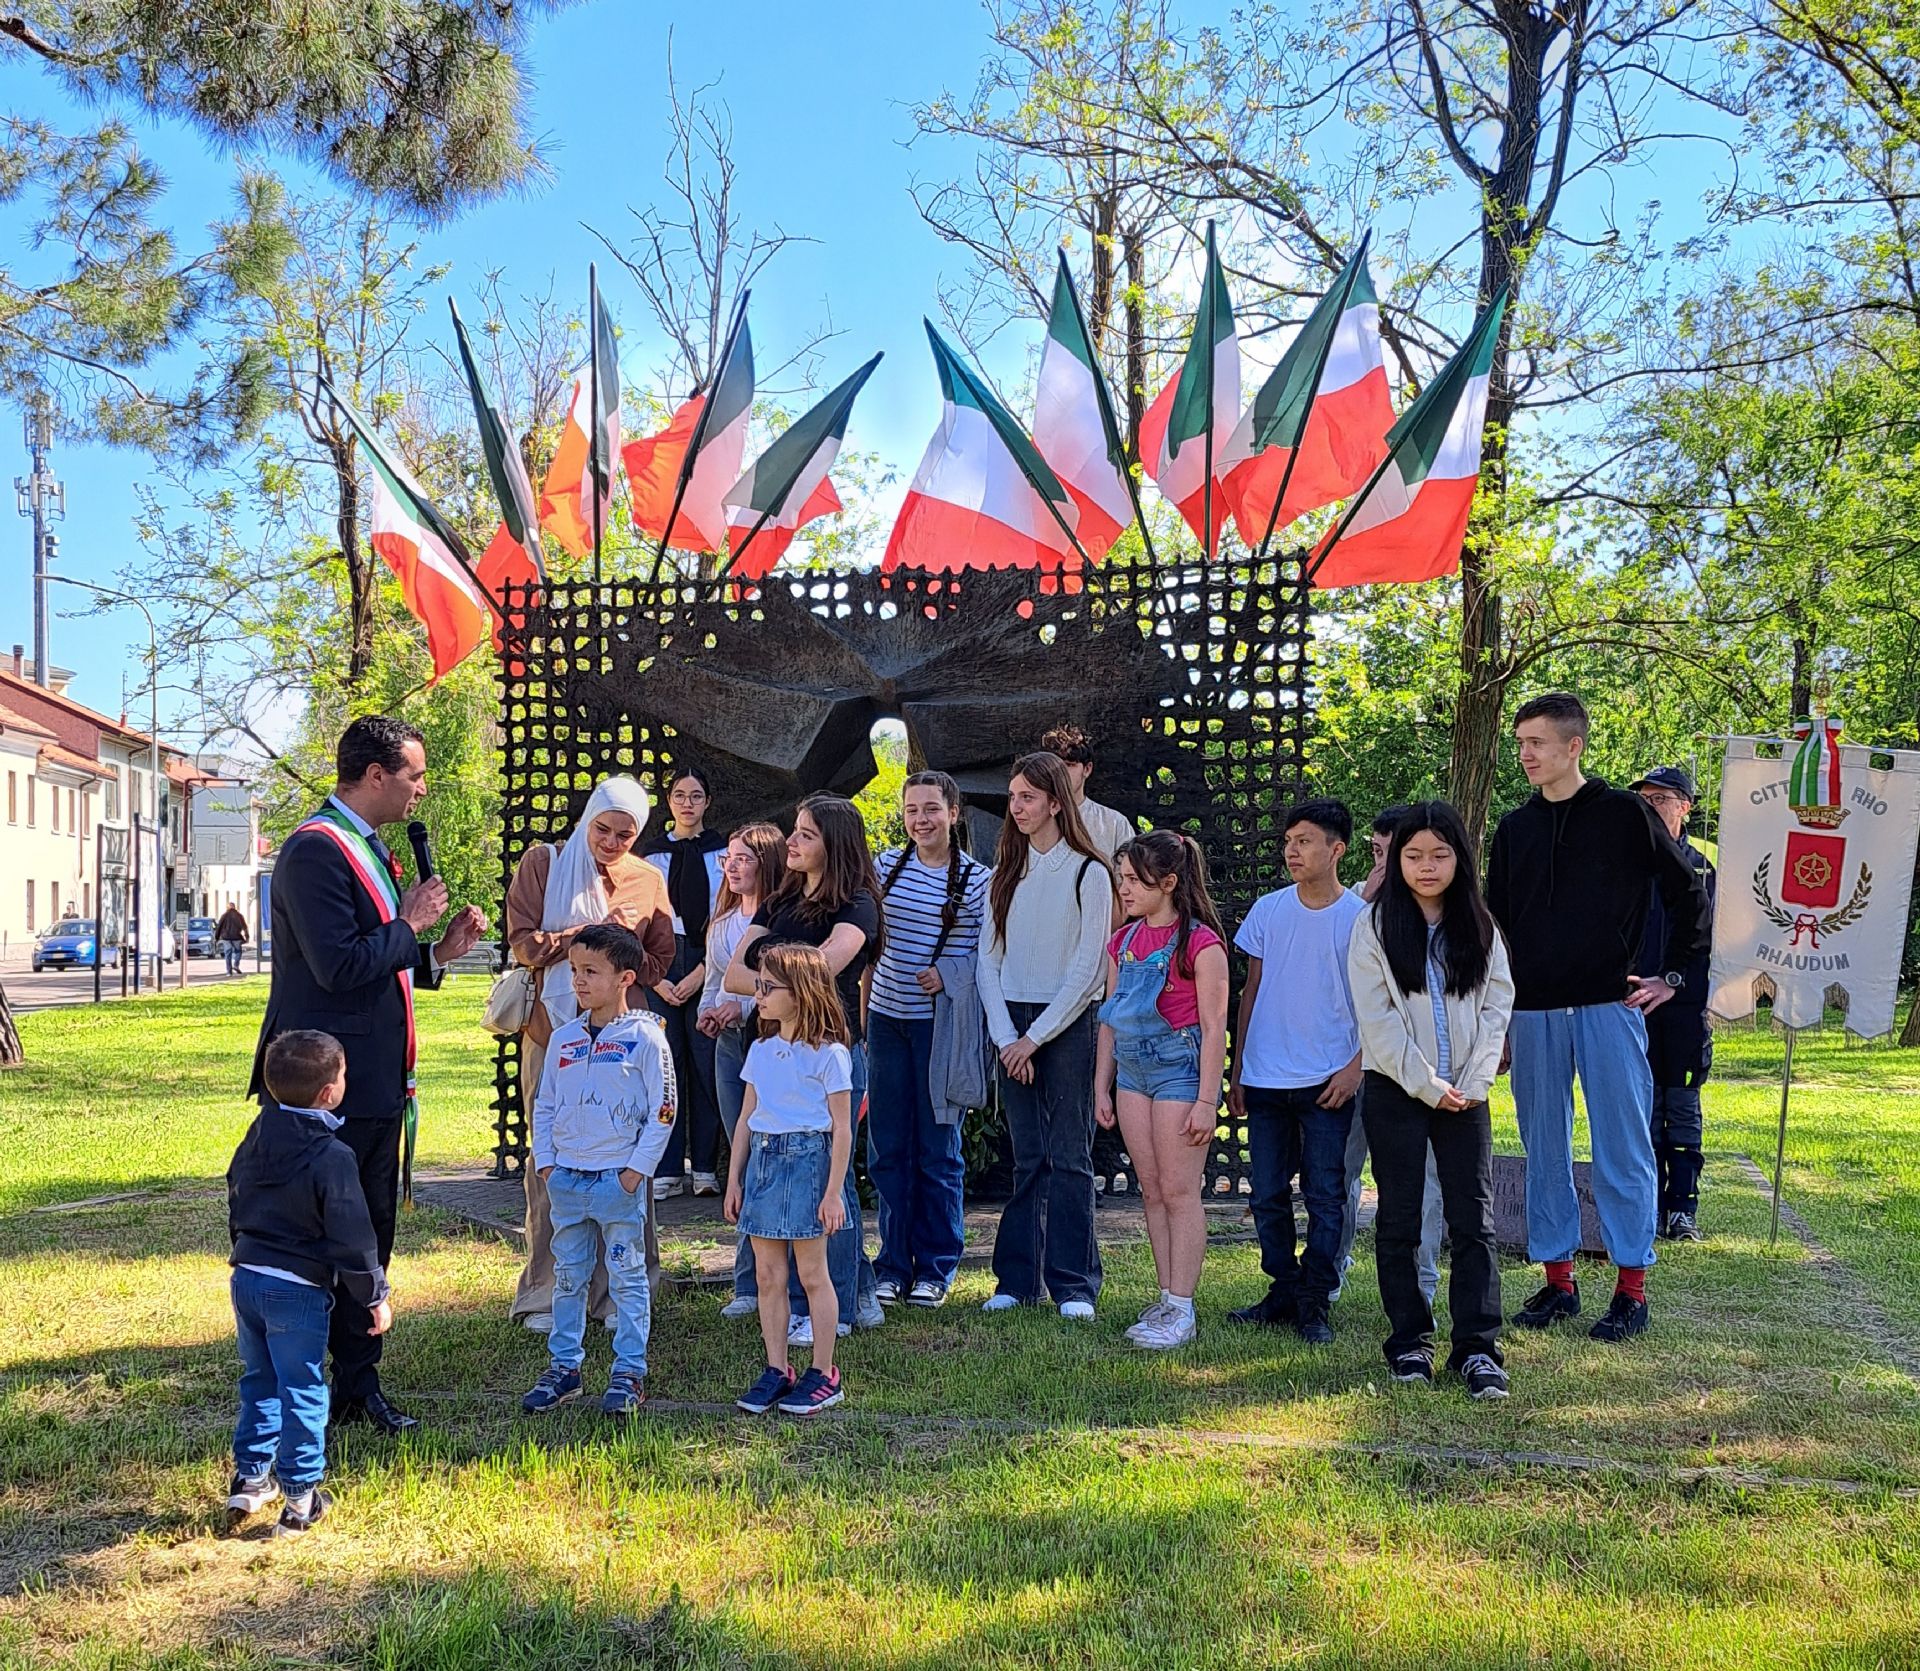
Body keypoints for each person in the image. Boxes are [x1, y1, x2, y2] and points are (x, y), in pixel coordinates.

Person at [247, 715, 486, 1436]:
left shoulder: (368, 846)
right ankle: (310, 1380)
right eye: (413, 775)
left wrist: (436, 951)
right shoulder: (315, 851)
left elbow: (382, 965)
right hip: (322, 1087)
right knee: (323, 1236)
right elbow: (339, 964)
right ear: (375, 775)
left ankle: (358, 1383)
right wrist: (409, 922)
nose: (420, 789)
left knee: (368, 1236)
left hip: (374, 1080)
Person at [1487, 693, 1712, 1343]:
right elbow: (1497, 929)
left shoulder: (1623, 814)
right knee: (1544, 1147)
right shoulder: (1514, 830)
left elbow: (1687, 890)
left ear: (1573, 746)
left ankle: (1631, 1289)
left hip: (1608, 1005)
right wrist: (1499, 1016)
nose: (1526, 753)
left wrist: (1672, 975)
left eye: (1537, 742)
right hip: (1532, 1011)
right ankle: (1559, 1282)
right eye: (1521, 741)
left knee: (1623, 1146)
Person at [1348, 803, 1516, 1400]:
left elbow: (1497, 1005)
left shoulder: (1481, 925)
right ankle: (1410, 1343)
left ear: (1459, 860)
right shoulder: (1372, 928)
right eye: (1413, 856)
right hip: (1397, 1090)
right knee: (1399, 1221)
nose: (1426, 867)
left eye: (1439, 855)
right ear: (1396, 861)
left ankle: (1477, 1349)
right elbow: (1379, 1021)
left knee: (1475, 1219)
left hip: (1467, 1096)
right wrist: (1426, 1084)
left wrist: (1472, 1082)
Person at [504, 777, 675, 1332]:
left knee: (625, 1153)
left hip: (623, 1039)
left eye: (626, 834)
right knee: (552, 1156)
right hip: (551, 1032)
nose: (612, 842)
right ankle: (550, 1292)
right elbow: (523, 942)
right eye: (602, 829)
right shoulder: (546, 862)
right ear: (587, 820)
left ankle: (626, 1290)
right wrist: (582, 939)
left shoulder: (648, 878)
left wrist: (620, 955)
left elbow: (659, 960)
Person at [726, 795, 885, 1343]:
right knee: (778, 1173)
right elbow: (733, 975)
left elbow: (824, 973)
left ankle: (831, 1308)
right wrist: (782, 978)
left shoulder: (859, 905)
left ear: (833, 845)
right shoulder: (778, 901)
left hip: (830, 1056)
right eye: (794, 831)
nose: (790, 842)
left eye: (805, 835)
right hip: (772, 1052)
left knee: (824, 1181)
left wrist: (770, 972)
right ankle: (852, 1292)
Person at [226, 1030, 391, 1537]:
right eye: (342, 1075)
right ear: (330, 1092)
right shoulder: (332, 1155)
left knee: (260, 1379)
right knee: (302, 1386)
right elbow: (353, 1234)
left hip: (248, 1277)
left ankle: (251, 1478)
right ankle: (300, 1497)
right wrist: (374, 1295)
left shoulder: (257, 1132)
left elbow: (235, 1188)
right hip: (296, 1289)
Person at [976, 751, 1115, 1319]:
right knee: (1027, 1154)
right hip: (1014, 1020)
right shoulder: (1005, 872)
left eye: (1028, 797)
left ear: (1057, 802)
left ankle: (1074, 1284)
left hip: (1065, 1024)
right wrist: (1009, 1035)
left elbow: (1088, 969)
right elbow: (987, 959)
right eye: (1013, 797)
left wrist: (1035, 1039)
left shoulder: (1090, 872)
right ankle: (1016, 1280)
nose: (1018, 807)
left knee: (1069, 1154)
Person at [520, 925, 677, 1419]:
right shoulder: (564, 1038)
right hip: (567, 1179)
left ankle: (629, 1371)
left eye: (591, 972)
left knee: (627, 1278)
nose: (579, 982)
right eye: (574, 971)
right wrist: (546, 1160)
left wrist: (636, 1171)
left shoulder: (646, 1038)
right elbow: (544, 1104)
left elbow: (664, 1109)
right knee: (568, 1277)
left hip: (618, 1181)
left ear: (625, 978)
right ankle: (564, 1367)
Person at [1225, 799, 1368, 1344]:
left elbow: (1378, 1003)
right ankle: (1282, 1289)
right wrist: (1238, 1069)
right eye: (1288, 839)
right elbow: (1251, 990)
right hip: (1265, 1078)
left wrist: (1355, 1067)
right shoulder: (1268, 909)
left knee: (1326, 1193)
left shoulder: (1360, 919)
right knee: (1265, 1192)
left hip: (1329, 1079)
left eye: (1305, 840)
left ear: (1337, 849)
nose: (1292, 850)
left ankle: (1315, 1301)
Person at [1093, 831, 1229, 1349]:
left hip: (1178, 1072)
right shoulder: (1122, 942)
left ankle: (1183, 1307)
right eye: (1122, 878)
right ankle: (1166, 1294)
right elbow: (1110, 1019)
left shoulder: (1201, 944)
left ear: (1168, 883)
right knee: (1150, 1190)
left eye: (1133, 879)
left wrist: (1204, 1101)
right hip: (1132, 1074)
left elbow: (1215, 1029)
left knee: (1178, 1190)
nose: (1124, 889)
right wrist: (1101, 1087)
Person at [868, 771, 992, 1309]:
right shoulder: (883, 867)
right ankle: (892, 1265)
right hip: (886, 1020)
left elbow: (991, 954)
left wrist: (951, 970)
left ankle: (936, 1267)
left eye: (932, 809)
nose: (921, 819)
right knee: (889, 1148)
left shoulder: (978, 880)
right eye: (913, 809)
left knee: (938, 1149)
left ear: (954, 813)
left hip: (942, 1026)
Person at [724, 943, 855, 1417]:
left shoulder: (831, 1056)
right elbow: (746, 1118)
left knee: (813, 1272)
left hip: (807, 1164)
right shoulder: (761, 1050)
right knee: (767, 1273)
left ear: (800, 993)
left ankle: (824, 1371)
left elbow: (841, 1128)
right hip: (763, 1164)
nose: (758, 994)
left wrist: (834, 1191)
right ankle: (778, 1368)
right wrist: (734, 1179)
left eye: (768, 987)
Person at [1335, 805, 1444, 1309]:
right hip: (1351, 1062)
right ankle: (1329, 1272)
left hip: (1414, 1067)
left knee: (1419, 1180)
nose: (1380, 865)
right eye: (1375, 853)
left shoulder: (1439, 913)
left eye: (1389, 854)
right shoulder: (1355, 903)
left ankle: (1422, 1283)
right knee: (1339, 1170)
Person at [697, 821, 789, 1318]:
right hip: (728, 1044)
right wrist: (709, 1013)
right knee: (741, 1149)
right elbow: (715, 982)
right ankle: (747, 1282)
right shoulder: (722, 922)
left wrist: (746, 1009)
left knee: (767, 1149)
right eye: (727, 858)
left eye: (743, 858)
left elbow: (782, 987)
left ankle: (774, 1277)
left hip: (767, 1042)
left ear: (767, 863)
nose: (732, 866)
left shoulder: (777, 923)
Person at [1629, 765, 1717, 1242]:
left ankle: (1682, 1207)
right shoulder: (1624, 866)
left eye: (1661, 799)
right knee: (1640, 1109)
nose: (1651, 806)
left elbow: (1713, 942)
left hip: (1684, 1007)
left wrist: (1677, 982)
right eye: (1645, 798)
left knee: (1680, 1107)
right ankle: (1642, 1205)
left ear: (1685, 805)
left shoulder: (1704, 871)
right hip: (1632, 1005)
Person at [641, 766, 728, 1199]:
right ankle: (668, 1167)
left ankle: (707, 1167)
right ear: (669, 801)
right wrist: (657, 978)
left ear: (707, 802)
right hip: (661, 956)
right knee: (664, 1064)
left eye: (696, 795)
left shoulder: (726, 853)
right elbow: (637, 922)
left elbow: (729, 916)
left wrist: (701, 975)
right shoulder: (651, 855)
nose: (688, 803)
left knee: (705, 1059)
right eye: (680, 795)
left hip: (708, 957)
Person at [1039, 723, 1136, 862]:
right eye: (1055, 766)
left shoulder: (1114, 823)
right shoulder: (1032, 818)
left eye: (1069, 765)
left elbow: (1129, 877)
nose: (1061, 773)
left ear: (1087, 769)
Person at [215, 904, 249, 976]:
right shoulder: (239, 915)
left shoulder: (224, 915)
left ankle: (229, 971)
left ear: (227, 907)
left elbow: (219, 927)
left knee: (228, 954)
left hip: (226, 938)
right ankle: (236, 965)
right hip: (236, 937)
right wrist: (247, 937)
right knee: (238, 952)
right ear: (235, 907)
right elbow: (245, 927)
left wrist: (217, 937)